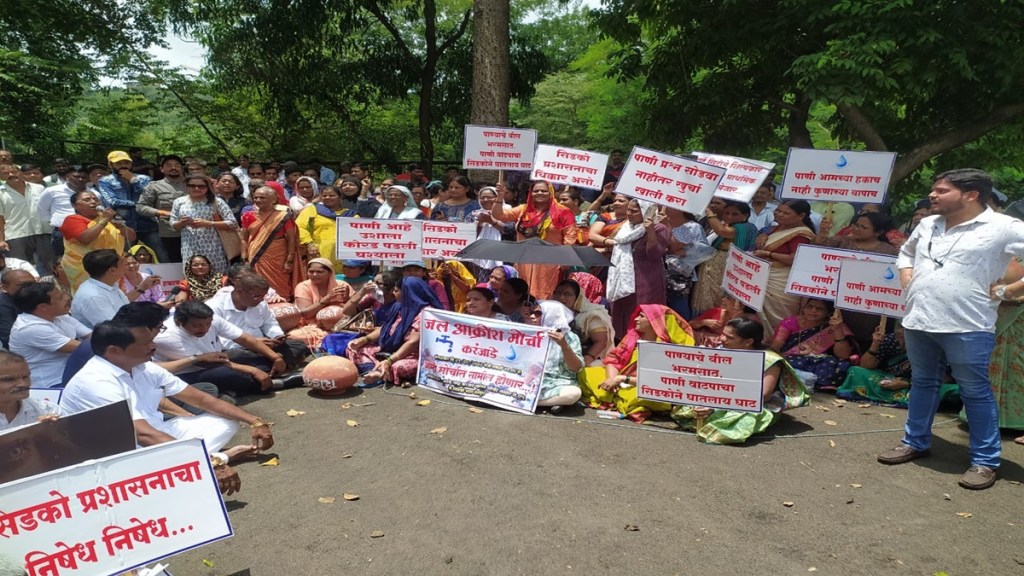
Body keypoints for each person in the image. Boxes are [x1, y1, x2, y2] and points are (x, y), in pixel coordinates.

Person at [878, 169, 1024, 490]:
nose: (933, 195)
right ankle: (914, 441)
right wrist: (906, 276)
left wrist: (1007, 291)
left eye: (942, 190)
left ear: (971, 195)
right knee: (923, 383)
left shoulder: (1004, 227)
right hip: (919, 320)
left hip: (968, 325)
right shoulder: (929, 223)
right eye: (934, 190)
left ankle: (985, 461)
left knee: (975, 390)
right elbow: (907, 252)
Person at [60, 320, 275, 492]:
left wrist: (255, 421)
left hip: (156, 434)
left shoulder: (144, 366)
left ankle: (193, 464)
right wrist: (216, 462)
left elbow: (201, 399)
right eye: (144, 344)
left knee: (226, 420)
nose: (153, 346)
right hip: (119, 454)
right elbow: (143, 435)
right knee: (149, 461)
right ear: (114, 351)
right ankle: (209, 462)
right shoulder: (96, 381)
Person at [671, 317, 810, 444]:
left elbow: (763, 395)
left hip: (750, 403)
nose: (721, 339)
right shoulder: (722, 350)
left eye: (729, 337)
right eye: (723, 334)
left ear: (748, 342)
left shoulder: (770, 360)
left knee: (740, 422)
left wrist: (717, 404)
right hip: (719, 395)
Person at [581, 304, 694, 422]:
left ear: (655, 321)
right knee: (585, 373)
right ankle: (617, 397)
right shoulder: (632, 338)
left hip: (643, 385)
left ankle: (618, 400)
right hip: (621, 381)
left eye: (641, 316)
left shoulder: (666, 348)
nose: (636, 319)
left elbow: (658, 380)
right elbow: (613, 361)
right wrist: (612, 379)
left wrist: (622, 379)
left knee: (642, 396)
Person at [154, 301, 289, 394]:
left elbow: (244, 338)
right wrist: (252, 370)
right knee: (226, 375)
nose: (204, 328)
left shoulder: (210, 318)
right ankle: (274, 383)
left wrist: (275, 357)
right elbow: (206, 363)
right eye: (197, 326)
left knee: (281, 351)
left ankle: (264, 374)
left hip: (219, 357)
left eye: (208, 324)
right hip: (189, 370)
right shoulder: (167, 336)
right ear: (179, 322)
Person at [346, 276, 441, 387]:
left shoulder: (425, 313)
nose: (393, 293)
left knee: (399, 366)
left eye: (396, 290)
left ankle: (379, 373)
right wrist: (364, 339)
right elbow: (386, 327)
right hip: (393, 349)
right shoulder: (399, 306)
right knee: (354, 348)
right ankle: (374, 370)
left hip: (415, 355)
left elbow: (413, 342)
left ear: (407, 292)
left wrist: (390, 360)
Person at [838, 322, 958, 408]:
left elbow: (945, 379)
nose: (901, 332)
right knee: (855, 371)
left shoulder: (933, 346)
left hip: (917, 385)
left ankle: (897, 395)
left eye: (906, 329)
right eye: (900, 327)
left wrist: (907, 383)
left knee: (953, 390)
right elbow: (864, 366)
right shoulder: (890, 340)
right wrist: (875, 344)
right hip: (885, 380)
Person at [491, 180, 577, 299]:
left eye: (543, 191)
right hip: (523, 259)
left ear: (551, 193)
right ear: (531, 193)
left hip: (549, 261)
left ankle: (539, 316)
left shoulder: (563, 212)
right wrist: (500, 197)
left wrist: (565, 259)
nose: (539, 193)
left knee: (544, 293)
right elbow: (498, 215)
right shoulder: (524, 209)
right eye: (536, 191)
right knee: (522, 292)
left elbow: (570, 236)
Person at [205, 272, 308, 370]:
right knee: (236, 356)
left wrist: (276, 336)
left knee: (299, 345)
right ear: (239, 291)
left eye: (263, 296)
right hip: (237, 348)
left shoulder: (260, 304)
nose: (261, 300)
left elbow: (270, 323)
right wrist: (253, 343)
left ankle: (267, 367)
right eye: (256, 296)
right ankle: (277, 364)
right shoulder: (214, 307)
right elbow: (215, 340)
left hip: (265, 347)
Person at [605, 198, 670, 338]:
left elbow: (654, 253)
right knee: (620, 314)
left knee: (642, 315)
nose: (629, 213)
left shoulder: (660, 229)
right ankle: (623, 348)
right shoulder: (625, 228)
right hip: (622, 281)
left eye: (634, 211)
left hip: (646, 281)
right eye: (628, 210)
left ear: (647, 212)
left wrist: (650, 231)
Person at [10, 282, 91, 388]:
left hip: (74, 372)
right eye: (61, 298)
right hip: (52, 382)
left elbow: (92, 336)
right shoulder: (30, 329)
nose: (67, 298)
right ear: (43, 307)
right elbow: (86, 349)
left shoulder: (60, 316)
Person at [752, 200, 816, 333]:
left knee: (779, 317)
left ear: (801, 215)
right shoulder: (779, 227)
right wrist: (763, 236)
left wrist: (768, 253)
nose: (779, 214)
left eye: (785, 213)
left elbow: (795, 258)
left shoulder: (802, 234)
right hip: (766, 275)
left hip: (781, 281)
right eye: (778, 210)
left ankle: (778, 341)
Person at [770, 298, 855, 391]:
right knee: (782, 362)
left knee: (840, 365)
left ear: (828, 313)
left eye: (819, 309)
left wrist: (837, 329)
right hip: (792, 359)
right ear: (803, 308)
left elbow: (843, 355)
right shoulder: (791, 322)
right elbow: (776, 345)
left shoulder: (835, 326)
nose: (813, 310)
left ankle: (801, 379)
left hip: (819, 362)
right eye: (810, 306)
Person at [691, 200, 759, 316]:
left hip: (728, 266)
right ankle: (704, 320)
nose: (729, 216)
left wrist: (708, 211)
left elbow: (722, 232)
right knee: (705, 296)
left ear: (745, 216)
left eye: (735, 214)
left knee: (722, 297)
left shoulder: (746, 228)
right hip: (711, 266)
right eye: (726, 213)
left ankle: (719, 320)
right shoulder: (726, 225)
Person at [60, 190, 134, 292]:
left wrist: (120, 226)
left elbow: (131, 237)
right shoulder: (72, 219)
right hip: (85, 270)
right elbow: (86, 238)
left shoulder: (109, 220)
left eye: (95, 199)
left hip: (113, 267)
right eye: (87, 199)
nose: (93, 202)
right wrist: (105, 220)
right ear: (75, 205)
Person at [241, 185, 303, 300]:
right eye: (256, 197)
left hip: (278, 256)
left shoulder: (283, 216)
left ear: (273, 200)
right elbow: (244, 239)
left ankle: (282, 307)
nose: (258, 200)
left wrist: (289, 260)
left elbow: (292, 239)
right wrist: (244, 259)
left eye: (262, 198)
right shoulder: (247, 216)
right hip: (255, 256)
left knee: (280, 283)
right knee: (257, 282)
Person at [171, 174, 238, 276]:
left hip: (213, 248)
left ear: (208, 187)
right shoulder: (179, 202)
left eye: (201, 186)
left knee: (217, 277)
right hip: (189, 247)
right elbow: (173, 224)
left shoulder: (216, 202)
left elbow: (233, 222)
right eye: (192, 185)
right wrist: (182, 223)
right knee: (192, 277)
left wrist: (209, 223)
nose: (196, 188)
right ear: (186, 186)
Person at [524, 300, 583, 412]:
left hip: (558, 383)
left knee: (573, 393)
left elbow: (576, 368)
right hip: (529, 380)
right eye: (531, 312)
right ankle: (550, 402)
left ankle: (528, 402)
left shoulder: (570, 337)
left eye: (538, 314)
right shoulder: (528, 333)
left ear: (552, 315)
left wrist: (564, 346)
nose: (532, 316)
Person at [97, 150, 159, 253]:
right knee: (123, 255)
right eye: (119, 163)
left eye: (126, 162)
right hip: (123, 225)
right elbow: (113, 201)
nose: (123, 165)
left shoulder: (144, 179)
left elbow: (151, 197)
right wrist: (139, 205)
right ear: (111, 165)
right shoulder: (105, 181)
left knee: (160, 254)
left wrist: (133, 180)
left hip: (148, 224)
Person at [0, 163, 54, 276]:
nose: (11, 174)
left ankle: (51, 290)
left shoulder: (39, 188)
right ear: (1, 177)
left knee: (50, 266)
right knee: (21, 268)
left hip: (43, 231)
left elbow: (49, 208)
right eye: (6, 173)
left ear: (20, 173)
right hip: (16, 234)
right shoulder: (1, 193)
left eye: (14, 172)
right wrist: (1, 240)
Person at [662, 206, 712, 320]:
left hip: (680, 277)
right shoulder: (657, 224)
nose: (662, 208)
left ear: (679, 209)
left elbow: (701, 252)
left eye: (667, 206)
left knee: (679, 311)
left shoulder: (693, 227)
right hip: (659, 273)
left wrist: (681, 250)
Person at [136, 154, 186, 262]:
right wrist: (160, 212)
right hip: (169, 233)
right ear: (162, 169)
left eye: (177, 165)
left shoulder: (192, 184)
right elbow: (140, 207)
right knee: (173, 264)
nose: (173, 168)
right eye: (168, 165)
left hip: (193, 232)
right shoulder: (154, 186)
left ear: (182, 168)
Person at [552, 279, 613, 366]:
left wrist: (588, 357)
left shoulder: (590, 316)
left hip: (582, 360)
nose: (561, 297)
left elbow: (601, 341)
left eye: (567, 294)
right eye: (557, 293)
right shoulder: (549, 313)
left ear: (577, 298)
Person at [296, 185, 355, 273]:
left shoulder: (351, 215)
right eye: (324, 196)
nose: (327, 198)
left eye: (331, 195)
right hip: (319, 253)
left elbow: (358, 233)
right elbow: (300, 227)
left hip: (344, 255)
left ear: (340, 197)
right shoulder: (312, 210)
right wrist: (309, 244)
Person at [0, 351, 61, 431]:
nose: (23, 384)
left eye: (25, 377)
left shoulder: (47, 410)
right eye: (9, 379)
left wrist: (50, 434)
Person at [70, 249, 130, 329]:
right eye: (123, 262)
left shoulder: (110, 284)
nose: (126, 265)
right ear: (112, 270)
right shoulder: (93, 297)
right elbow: (114, 329)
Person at [39, 164, 89, 260]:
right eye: (76, 176)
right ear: (67, 177)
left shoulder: (94, 193)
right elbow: (42, 209)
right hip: (62, 233)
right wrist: (54, 222)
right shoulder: (52, 191)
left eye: (84, 177)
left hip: (88, 232)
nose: (80, 179)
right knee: (62, 261)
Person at [0, 270, 35, 348]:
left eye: (32, 284)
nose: (30, 288)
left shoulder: (38, 297)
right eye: (22, 285)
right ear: (5, 287)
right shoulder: (3, 306)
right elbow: (9, 339)